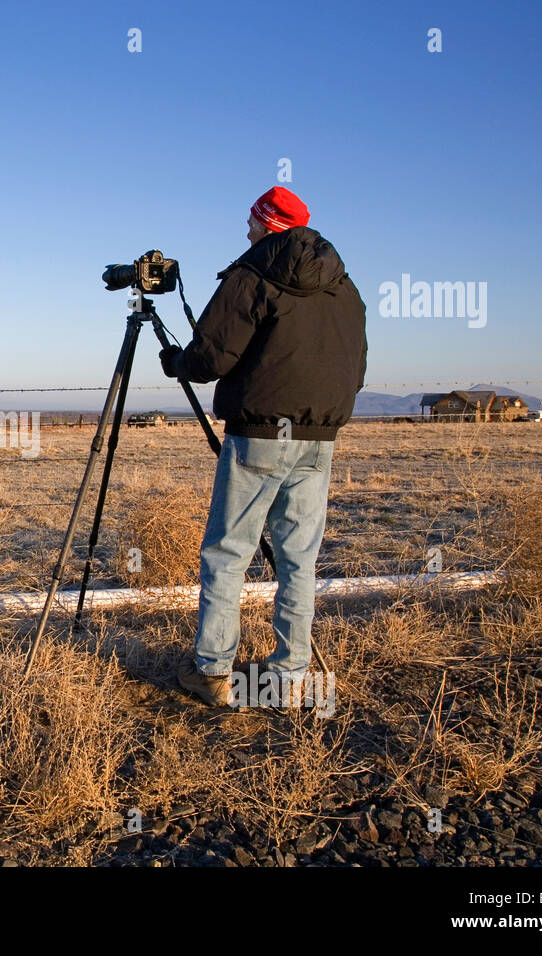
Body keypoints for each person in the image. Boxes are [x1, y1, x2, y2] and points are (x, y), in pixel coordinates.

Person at [158, 186, 367, 706]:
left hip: (258, 436)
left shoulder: (252, 275)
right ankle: (291, 673)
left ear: (267, 223)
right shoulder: (343, 287)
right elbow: (355, 366)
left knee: (227, 552)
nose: (245, 228)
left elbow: (210, 359)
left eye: (251, 220)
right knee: (299, 558)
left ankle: (212, 671)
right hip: (319, 438)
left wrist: (176, 362)